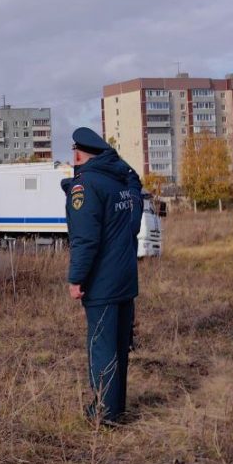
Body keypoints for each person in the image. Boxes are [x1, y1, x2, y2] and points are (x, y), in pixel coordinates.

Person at [62, 127, 143, 426]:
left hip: (102, 283)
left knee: (102, 345)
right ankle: (117, 407)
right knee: (120, 345)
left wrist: (76, 278)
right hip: (125, 280)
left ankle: (105, 413)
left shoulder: (86, 186)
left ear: (79, 154)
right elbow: (133, 218)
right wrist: (122, 166)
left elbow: (85, 240)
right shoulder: (121, 184)